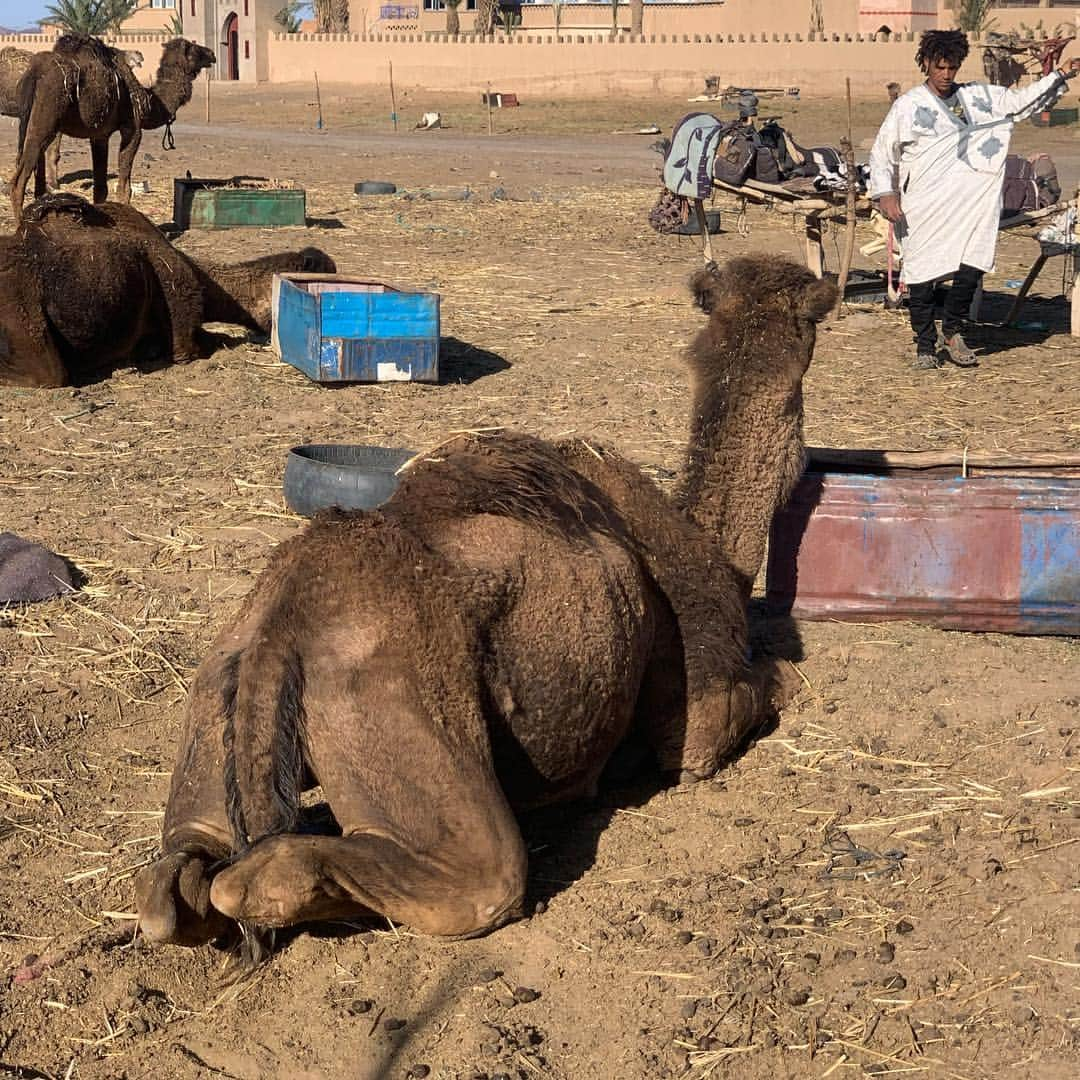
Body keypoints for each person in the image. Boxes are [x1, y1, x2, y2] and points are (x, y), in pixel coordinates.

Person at [868, 30, 1077, 370]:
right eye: (939, 67)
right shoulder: (909, 106)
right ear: (925, 64)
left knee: (973, 264)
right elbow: (882, 152)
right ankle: (924, 343)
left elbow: (1019, 102)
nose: (946, 75)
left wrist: (1060, 74)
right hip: (927, 203)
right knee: (921, 274)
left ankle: (952, 330)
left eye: (952, 68)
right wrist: (886, 193)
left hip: (973, 203)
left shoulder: (979, 96)